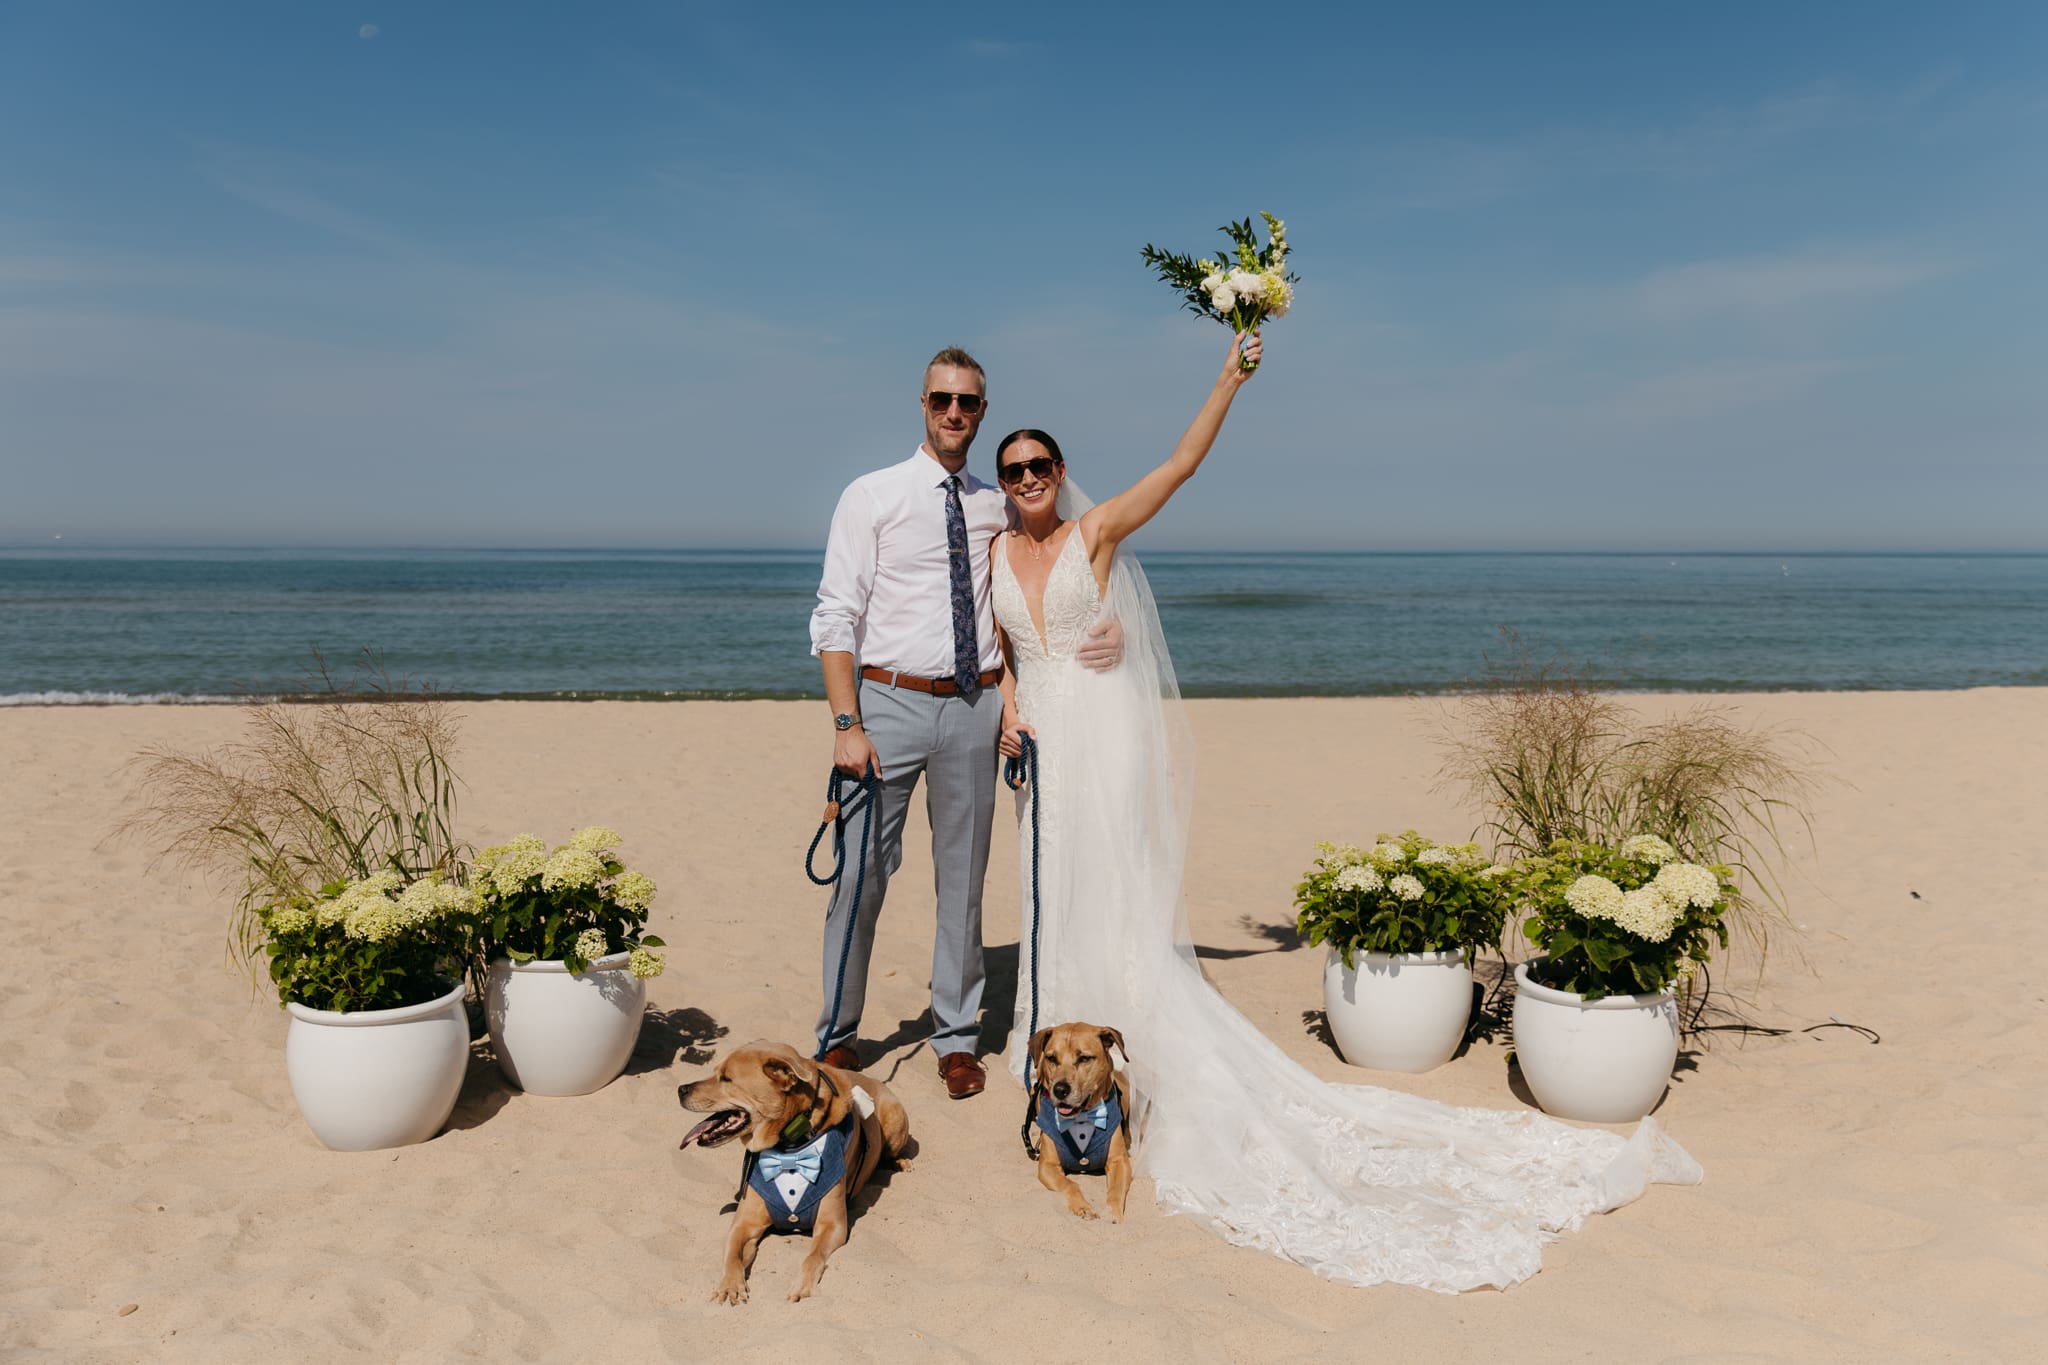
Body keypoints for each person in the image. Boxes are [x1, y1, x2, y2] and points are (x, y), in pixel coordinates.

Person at [987, 330, 1703, 1291]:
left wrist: (1228, 377)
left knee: (1112, 887)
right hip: (1044, 748)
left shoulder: (1094, 534)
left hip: (1104, 740)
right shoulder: (995, 549)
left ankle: (1122, 1058)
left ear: (1061, 472)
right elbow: (1003, 652)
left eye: (1038, 465)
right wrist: (1010, 714)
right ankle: (1051, 1058)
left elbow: (1182, 464)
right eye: (1012, 469)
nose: (1027, 477)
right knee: (1054, 887)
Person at [808, 346, 1119, 1100]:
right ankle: (839, 1035)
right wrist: (847, 722)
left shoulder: (997, 501)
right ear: (922, 404)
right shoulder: (871, 495)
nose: (955, 412)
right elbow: (834, 616)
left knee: (964, 882)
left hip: (976, 705)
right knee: (860, 872)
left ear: (982, 411)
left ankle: (955, 1036)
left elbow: (1056, 568)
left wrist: (1115, 628)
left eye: (969, 402)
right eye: (943, 399)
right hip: (886, 702)